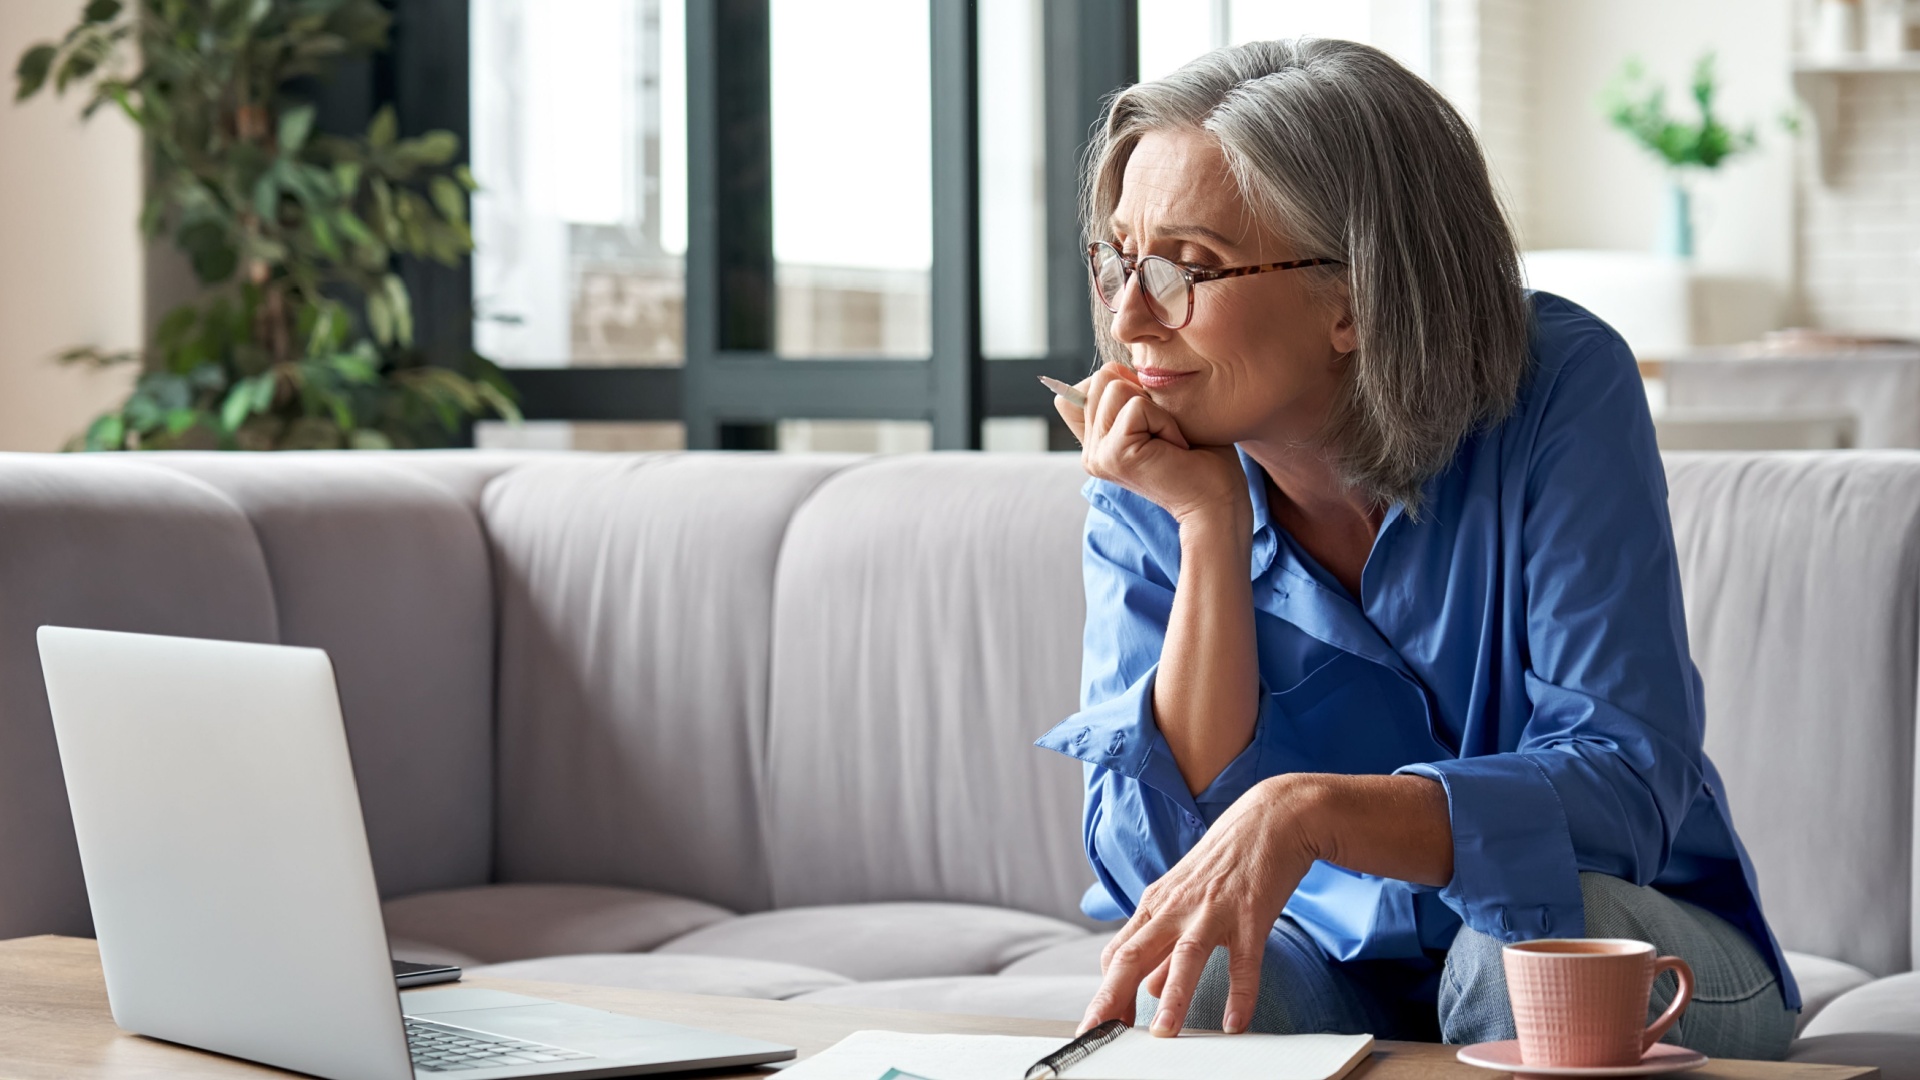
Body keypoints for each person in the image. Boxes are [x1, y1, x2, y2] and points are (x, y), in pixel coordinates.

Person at [1034, 37, 1799, 1058]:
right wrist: (1208, 530)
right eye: (1118, 259)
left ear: (1354, 297)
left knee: (1514, 956)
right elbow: (1157, 869)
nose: (1130, 319)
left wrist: (1313, 814)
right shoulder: (1156, 459)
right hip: (1333, 961)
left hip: (1629, 936)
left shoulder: (1560, 388)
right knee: (1201, 974)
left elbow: (1625, 785)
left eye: (1188, 268)